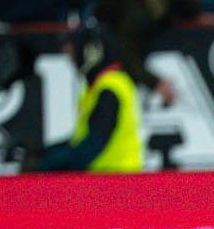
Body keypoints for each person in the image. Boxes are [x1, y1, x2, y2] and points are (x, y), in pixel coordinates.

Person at [35, 22, 141, 173]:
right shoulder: (97, 87)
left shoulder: (110, 89)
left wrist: (48, 163)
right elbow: (82, 139)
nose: (71, 61)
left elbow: (94, 143)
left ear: (90, 53)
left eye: (73, 53)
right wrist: (45, 153)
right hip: (107, 176)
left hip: (117, 177)